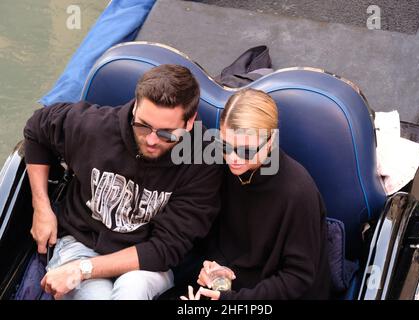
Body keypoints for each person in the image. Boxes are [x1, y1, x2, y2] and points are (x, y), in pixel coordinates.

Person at [23, 64, 222, 300]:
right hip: (81, 245)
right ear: (135, 107)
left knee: (132, 291)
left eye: (166, 133)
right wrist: (41, 206)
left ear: (189, 123)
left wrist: (83, 269)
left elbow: (166, 249)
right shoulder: (95, 126)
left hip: (147, 262)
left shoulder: (202, 160)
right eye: (142, 125)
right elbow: (36, 129)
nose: (150, 140)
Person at [181, 88, 330, 300]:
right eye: (225, 145)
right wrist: (212, 266)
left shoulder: (298, 193)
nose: (233, 158)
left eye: (246, 150)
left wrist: (231, 300)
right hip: (230, 284)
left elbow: (299, 278)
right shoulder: (222, 165)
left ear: (270, 142)